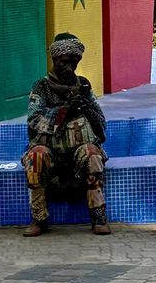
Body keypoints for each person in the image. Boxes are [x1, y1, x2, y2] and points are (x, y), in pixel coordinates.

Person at [22, 33, 110, 238]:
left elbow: (101, 125)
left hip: (78, 152)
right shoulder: (41, 87)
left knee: (93, 155)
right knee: (36, 157)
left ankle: (98, 217)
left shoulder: (83, 85)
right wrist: (63, 111)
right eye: (64, 62)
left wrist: (86, 107)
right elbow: (34, 121)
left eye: (74, 62)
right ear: (55, 59)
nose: (69, 68)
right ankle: (39, 218)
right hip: (50, 152)